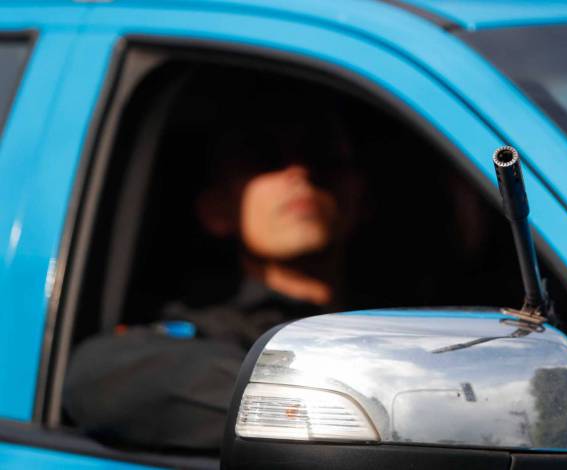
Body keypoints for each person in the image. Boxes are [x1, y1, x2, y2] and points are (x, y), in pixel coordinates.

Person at [63, 96, 365, 452]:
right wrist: (332, 409)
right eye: (264, 159)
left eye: (323, 155)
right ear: (216, 210)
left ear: (361, 193)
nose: (300, 171)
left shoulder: (408, 320)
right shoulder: (208, 328)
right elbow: (97, 376)